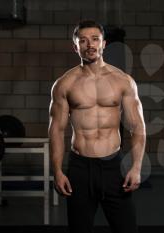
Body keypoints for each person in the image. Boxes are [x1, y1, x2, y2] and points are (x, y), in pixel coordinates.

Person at [48, 20, 146, 233]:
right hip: (80, 169)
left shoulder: (123, 81)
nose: (89, 45)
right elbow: (56, 129)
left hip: (113, 168)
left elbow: (137, 127)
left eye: (95, 39)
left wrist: (136, 167)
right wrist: (57, 171)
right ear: (75, 47)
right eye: (82, 41)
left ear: (104, 44)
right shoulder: (65, 84)